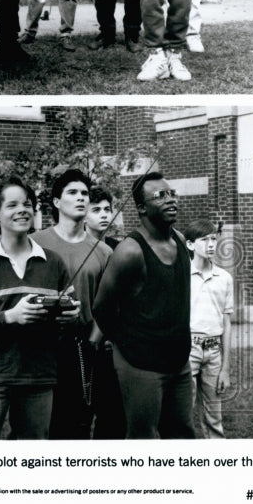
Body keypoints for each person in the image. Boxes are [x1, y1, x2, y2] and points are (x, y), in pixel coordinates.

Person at [0, 176, 78, 439]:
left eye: (27, 204)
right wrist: (10, 316)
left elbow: (66, 319)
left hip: (39, 377)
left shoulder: (53, 263)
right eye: (12, 205)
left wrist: (70, 316)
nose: (23, 210)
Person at [92, 172, 194, 439]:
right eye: (160, 196)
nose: (171, 200)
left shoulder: (181, 241)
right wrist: (125, 343)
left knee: (183, 433)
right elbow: (101, 307)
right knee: (143, 439)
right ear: (141, 207)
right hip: (141, 364)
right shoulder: (129, 251)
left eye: (172, 194)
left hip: (179, 361)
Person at [31, 170, 112, 439]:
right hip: (40, 346)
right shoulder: (35, 242)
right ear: (56, 202)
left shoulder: (103, 251)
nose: (81, 198)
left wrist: (93, 340)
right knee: (39, 426)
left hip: (83, 348)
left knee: (78, 424)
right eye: (73, 193)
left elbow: (109, 305)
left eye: (85, 194)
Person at [184, 219, 234, 438]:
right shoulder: (182, 275)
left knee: (214, 415)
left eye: (214, 239)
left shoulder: (224, 278)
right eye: (204, 240)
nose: (211, 244)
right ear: (190, 245)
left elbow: (226, 322)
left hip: (214, 351)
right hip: (187, 349)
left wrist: (225, 368)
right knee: (182, 413)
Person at [84, 186, 125, 439]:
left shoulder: (120, 249)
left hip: (111, 343)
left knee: (113, 416)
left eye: (107, 210)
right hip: (79, 339)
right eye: (96, 209)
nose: (103, 215)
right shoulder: (75, 247)